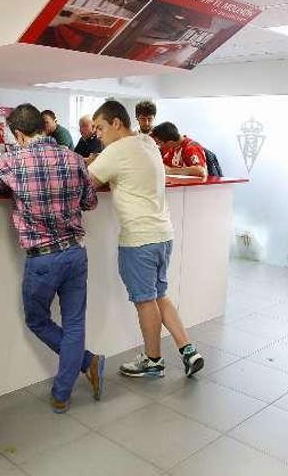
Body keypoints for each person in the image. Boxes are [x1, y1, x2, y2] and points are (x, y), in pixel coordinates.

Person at [0, 103, 105, 414]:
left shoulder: (12, 161)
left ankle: (84, 367)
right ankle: (68, 386)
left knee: (37, 319)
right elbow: (91, 202)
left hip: (42, 259)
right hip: (74, 253)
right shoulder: (73, 158)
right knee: (74, 324)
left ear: (18, 134)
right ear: (44, 127)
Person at [88, 100, 204, 378]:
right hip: (163, 234)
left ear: (117, 123)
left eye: (101, 128)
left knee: (145, 301)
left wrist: (91, 164)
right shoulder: (148, 143)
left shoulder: (115, 151)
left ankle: (153, 360)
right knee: (159, 296)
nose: (99, 135)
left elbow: (86, 183)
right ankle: (188, 350)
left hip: (138, 239)